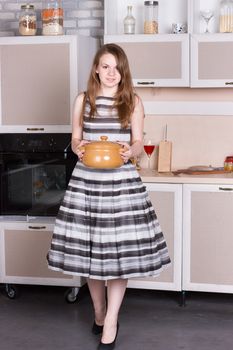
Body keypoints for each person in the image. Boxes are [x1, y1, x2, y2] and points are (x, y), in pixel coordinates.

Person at [47, 43, 171, 350]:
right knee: (92, 256)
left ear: (123, 71)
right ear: (96, 69)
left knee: (120, 258)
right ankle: (99, 311)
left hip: (121, 183)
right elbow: (75, 138)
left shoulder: (133, 101)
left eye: (116, 67)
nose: (111, 73)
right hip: (88, 182)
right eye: (105, 66)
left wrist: (132, 150)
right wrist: (78, 147)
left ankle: (111, 319)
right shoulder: (83, 100)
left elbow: (139, 141)